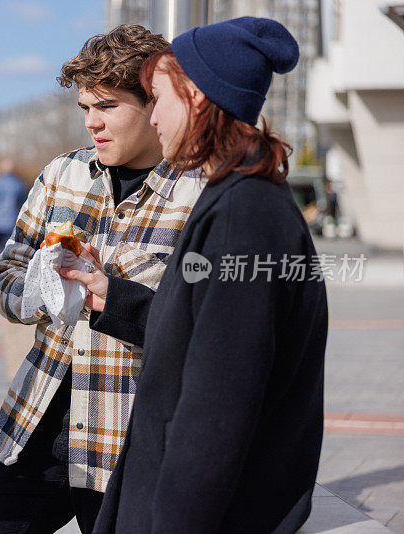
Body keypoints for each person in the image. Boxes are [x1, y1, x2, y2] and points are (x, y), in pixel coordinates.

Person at [62, 17, 329, 533]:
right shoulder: (236, 199)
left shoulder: (243, 216)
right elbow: (195, 328)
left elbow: (216, 413)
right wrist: (110, 299)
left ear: (199, 99)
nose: (154, 116)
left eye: (157, 97)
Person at [0, 25, 204, 534]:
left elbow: (202, 326)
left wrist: (107, 290)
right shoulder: (61, 175)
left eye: (107, 106)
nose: (92, 122)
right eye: (85, 108)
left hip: (130, 443)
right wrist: (44, 285)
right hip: (35, 421)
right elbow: (4, 276)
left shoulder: (199, 194)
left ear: (153, 101)